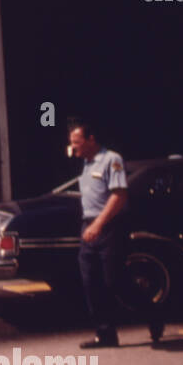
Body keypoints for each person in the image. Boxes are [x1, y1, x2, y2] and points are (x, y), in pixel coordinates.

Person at [67, 119, 142, 349]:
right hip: (88, 227)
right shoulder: (86, 164)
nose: (73, 147)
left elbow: (119, 196)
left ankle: (152, 313)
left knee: (115, 282)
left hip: (109, 228)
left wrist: (98, 224)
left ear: (91, 140)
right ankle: (105, 333)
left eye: (77, 142)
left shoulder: (112, 160)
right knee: (91, 282)